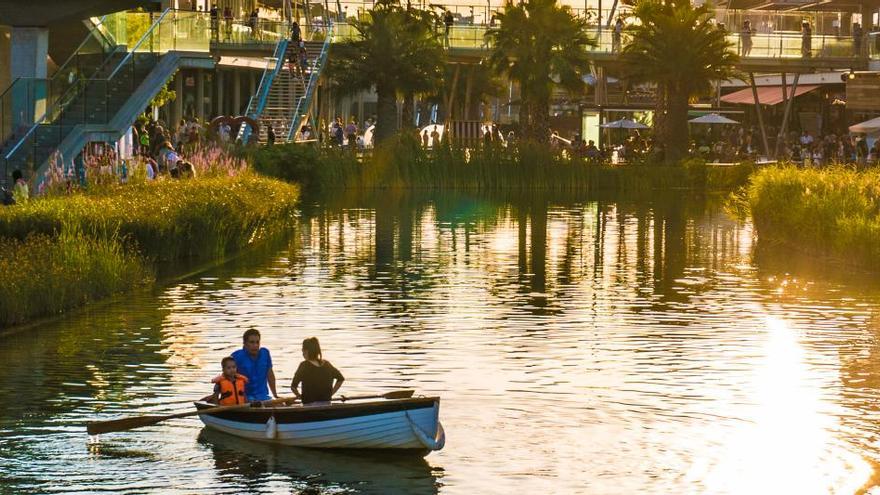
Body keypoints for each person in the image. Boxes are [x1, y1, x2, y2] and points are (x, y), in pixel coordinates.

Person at [290, 337, 345, 405]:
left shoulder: (304, 365)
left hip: (309, 405)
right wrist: (330, 394)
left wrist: (301, 397)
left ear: (306, 351)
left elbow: (293, 387)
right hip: (327, 403)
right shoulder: (327, 364)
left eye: (302, 350)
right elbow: (341, 379)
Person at [232, 328, 279, 402]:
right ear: (245, 343)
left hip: (263, 397)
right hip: (245, 398)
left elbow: (270, 374)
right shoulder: (237, 356)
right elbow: (227, 375)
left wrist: (275, 395)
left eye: (257, 342)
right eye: (252, 342)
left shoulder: (265, 353)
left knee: (279, 404)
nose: (255, 345)